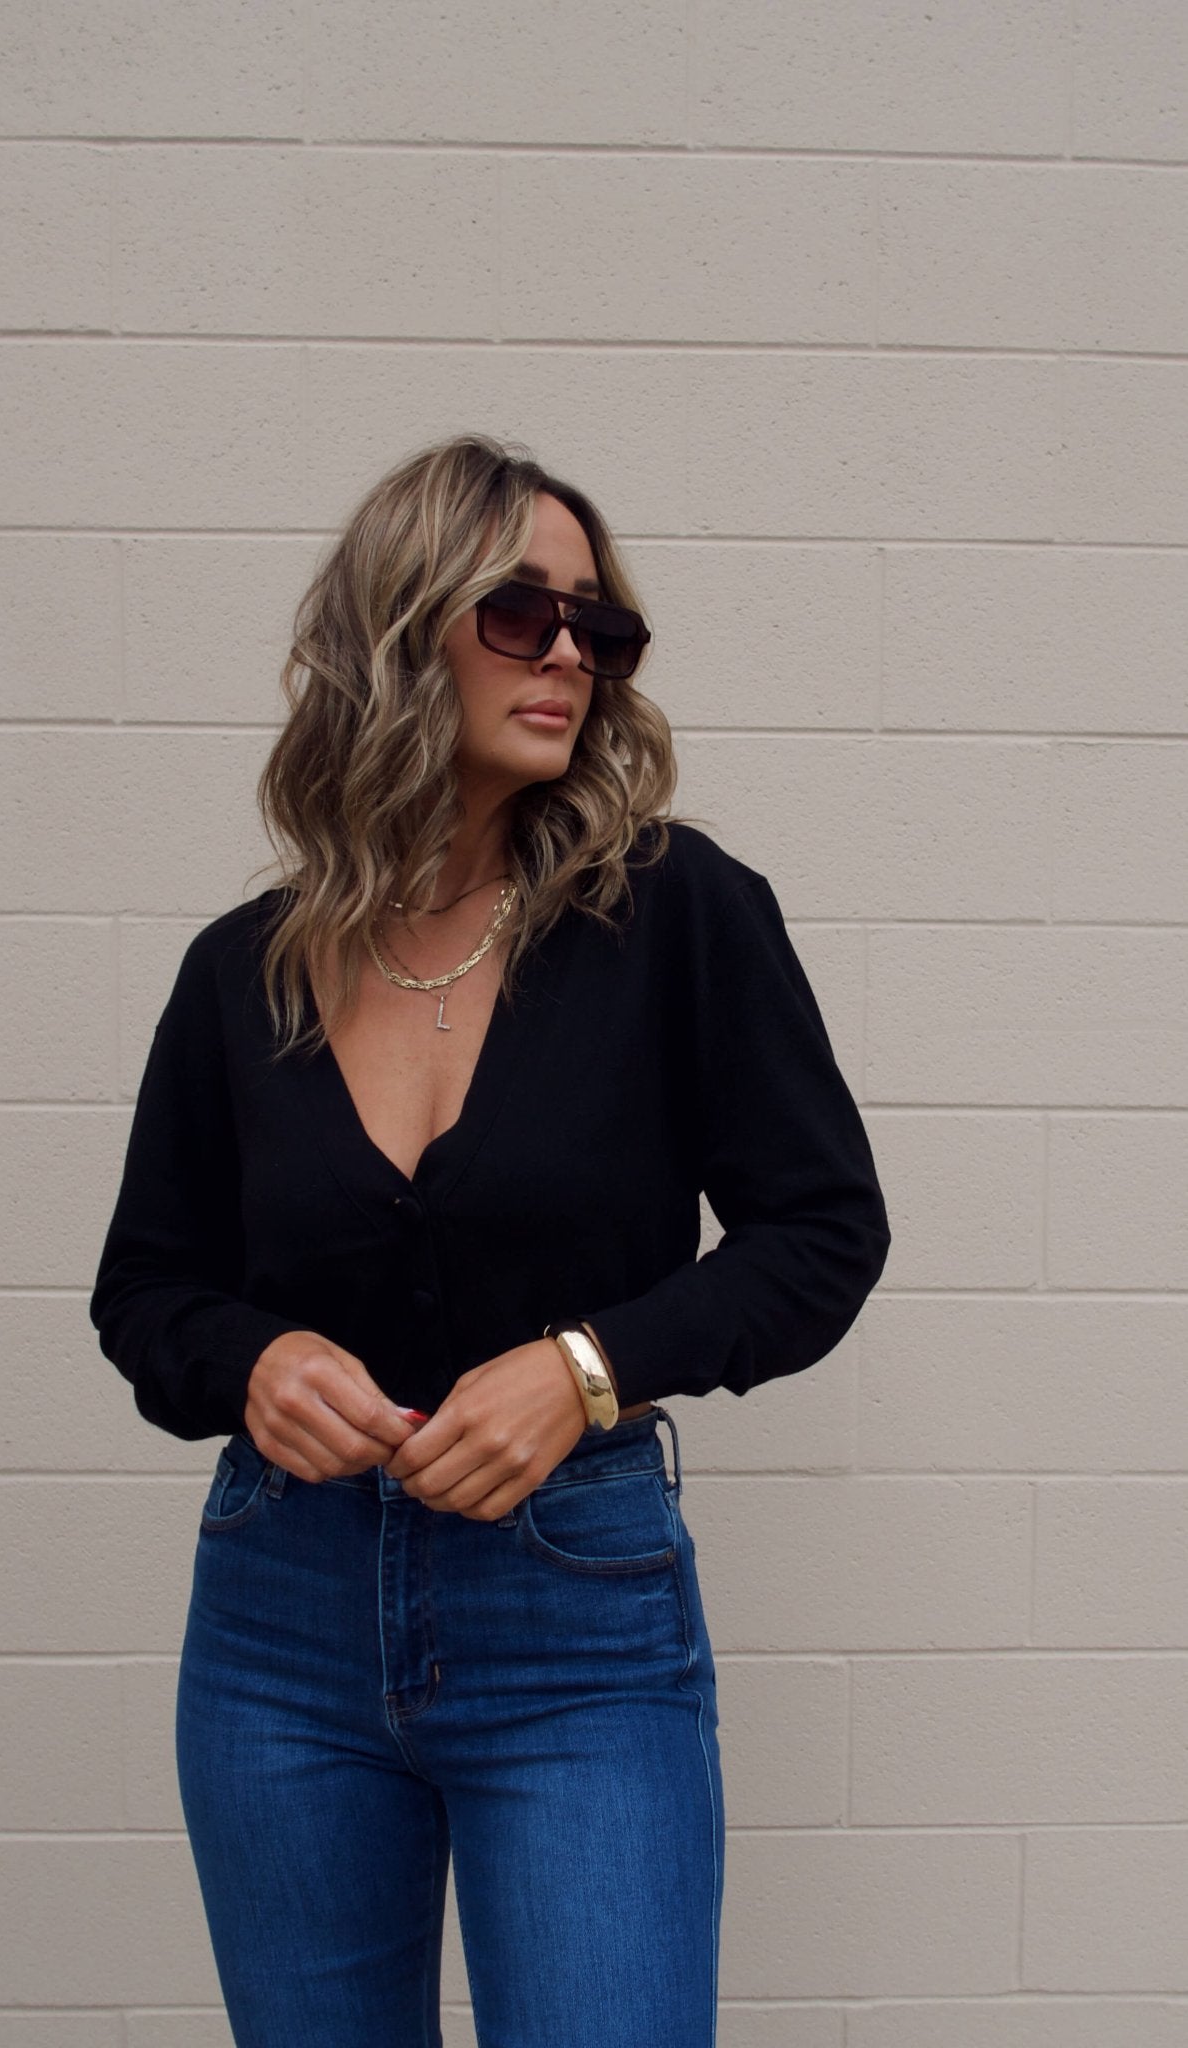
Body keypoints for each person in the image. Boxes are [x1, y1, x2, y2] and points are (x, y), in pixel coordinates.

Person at [89, 433, 890, 2048]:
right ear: (404, 625)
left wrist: (589, 1369)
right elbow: (146, 1293)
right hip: (277, 1623)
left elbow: (819, 1232)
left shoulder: (677, 916)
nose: (574, 657)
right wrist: (253, 1359)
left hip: (574, 1617)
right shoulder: (242, 971)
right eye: (522, 614)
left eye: (599, 624)